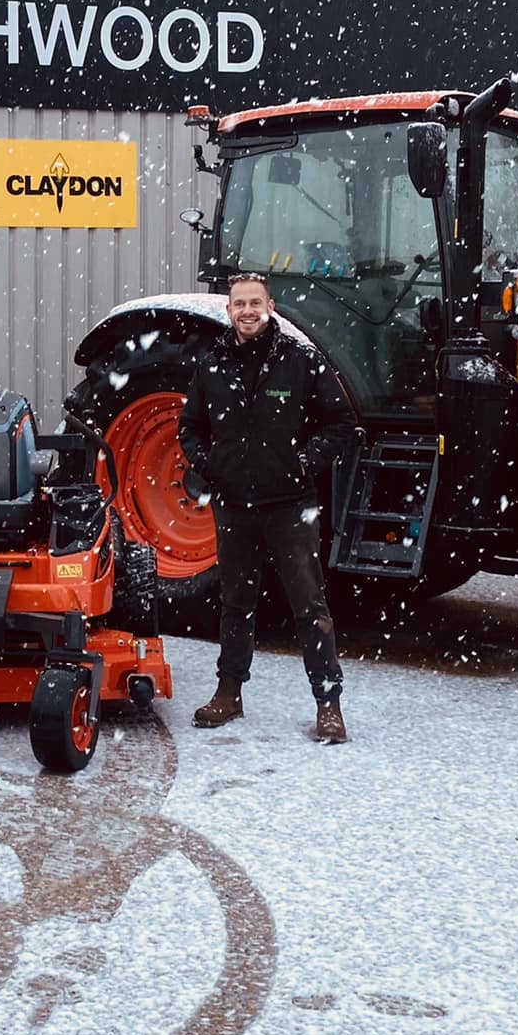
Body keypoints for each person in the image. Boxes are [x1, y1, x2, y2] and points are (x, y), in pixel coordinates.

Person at [178, 273, 357, 743]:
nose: (248, 311)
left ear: (270, 306)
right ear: (229, 311)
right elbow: (189, 427)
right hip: (234, 505)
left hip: (289, 506)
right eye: (240, 304)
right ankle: (229, 693)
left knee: (309, 605)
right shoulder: (211, 364)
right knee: (236, 604)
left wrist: (302, 464)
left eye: (256, 303)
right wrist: (208, 462)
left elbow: (341, 422)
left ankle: (328, 704)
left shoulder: (300, 362)